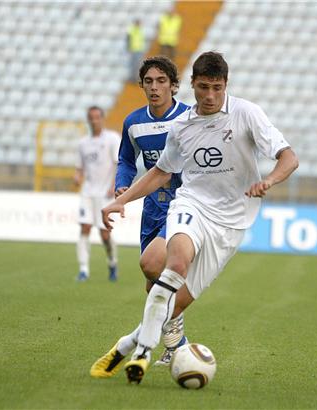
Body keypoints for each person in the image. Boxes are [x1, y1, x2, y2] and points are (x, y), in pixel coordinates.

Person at [90, 51, 298, 384]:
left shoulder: (247, 114)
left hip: (231, 222)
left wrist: (270, 180)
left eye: (217, 88)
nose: (211, 96)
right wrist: (121, 200)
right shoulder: (183, 126)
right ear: (193, 85)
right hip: (192, 204)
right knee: (175, 263)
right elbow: (160, 172)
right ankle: (143, 355)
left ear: (226, 85)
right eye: (203, 88)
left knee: (175, 306)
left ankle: (126, 344)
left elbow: (289, 157)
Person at [108, 56, 191, 369]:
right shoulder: (133, 122)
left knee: (153, 264)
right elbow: (127, 160)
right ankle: (175, 341)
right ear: (141, 85)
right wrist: (122, 185)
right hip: (153, 206)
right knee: (152, 279)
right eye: (148, 82)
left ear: (173, 85)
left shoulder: (188, 117)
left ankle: (172, 342)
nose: (154, 87)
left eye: (161, 81)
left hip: (184, 203)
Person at [74, 106, 121, 281]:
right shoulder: (83, 143)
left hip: (105, 194)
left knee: (104, 234)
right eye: (91, 118)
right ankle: (84, 269)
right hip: (87, 192)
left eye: (97, 117)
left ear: (102, 118)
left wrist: (114, 185)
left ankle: (112, 262)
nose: (94, 121)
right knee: (84, 227)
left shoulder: (112, 139)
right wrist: (77, 176)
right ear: (88, 120)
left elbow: (119, 163)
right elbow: (80, 167)